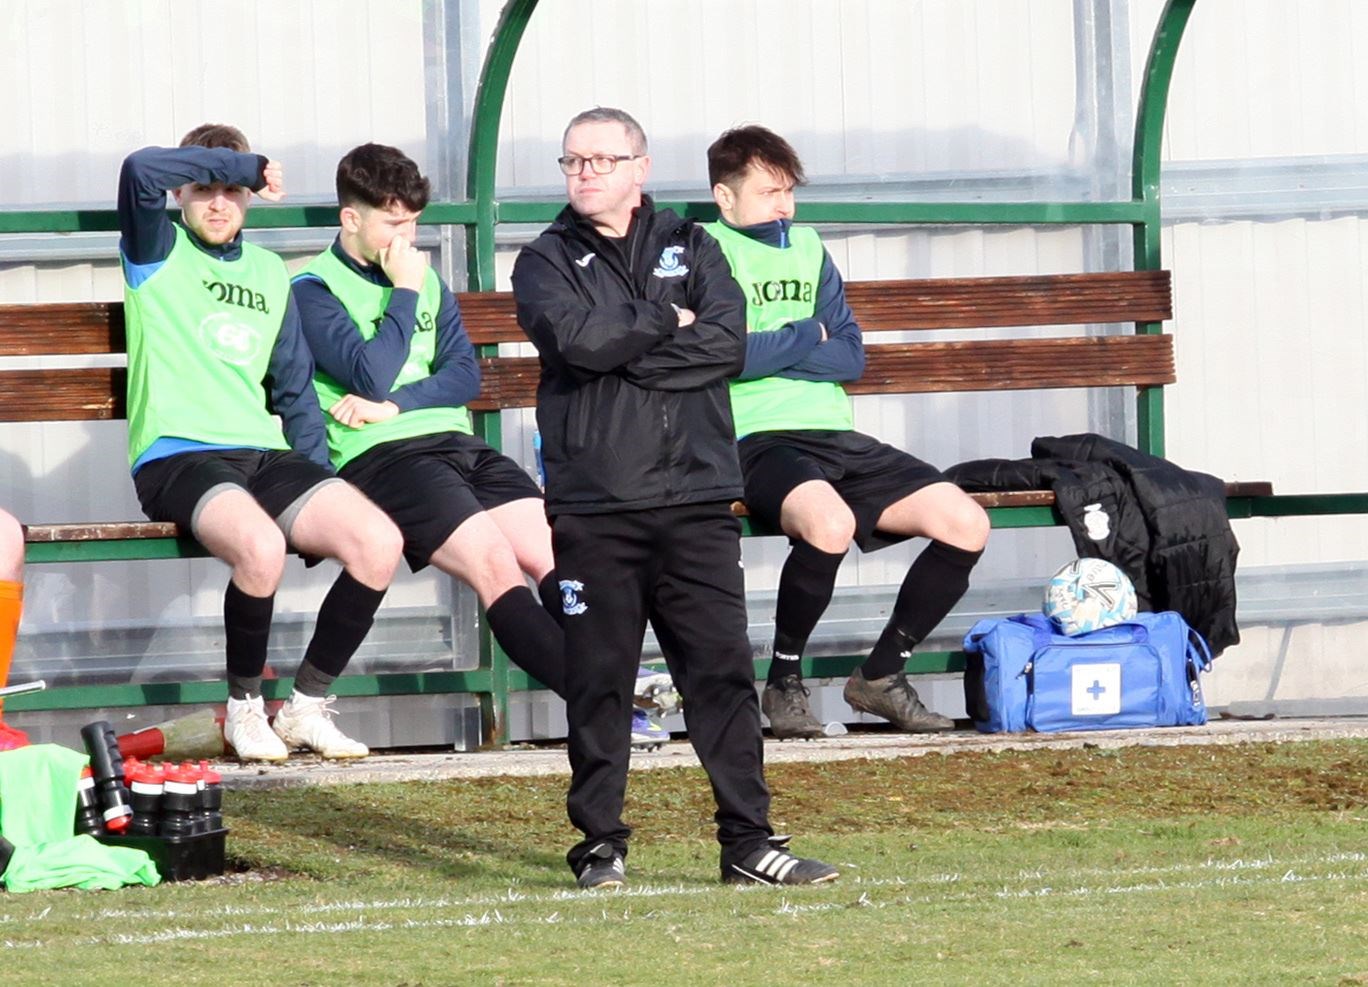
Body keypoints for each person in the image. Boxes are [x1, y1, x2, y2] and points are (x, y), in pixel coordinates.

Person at [511, 107, 837, 889]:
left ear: (640, 167)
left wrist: (629, 349)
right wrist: (663, 319)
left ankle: (749, 843)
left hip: (696, 500)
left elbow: (724, 344)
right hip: (597, 505)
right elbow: (577, 343)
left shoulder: (695, 245)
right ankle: (600, 847)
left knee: (720, 675)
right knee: (600, 682)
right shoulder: (544, 260)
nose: (584, 173)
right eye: (572, 162)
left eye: (601, 159)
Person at [118, 125, 404, 762]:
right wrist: (247, 162)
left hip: (262, 454)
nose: (218, 203)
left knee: (377, 541)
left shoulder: (271, 272)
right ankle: (245, 709)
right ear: (180, 196)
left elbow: (296, 389)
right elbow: (140, 169)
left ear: (249, 200)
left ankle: (303, 709)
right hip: (178, 454)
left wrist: (318, 476)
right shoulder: (155, 249)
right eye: (203, 188)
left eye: (233, 190)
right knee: (260, 546)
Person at [704, 125, 990, 739]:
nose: (783, 206)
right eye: (767, 192)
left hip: (836, 435)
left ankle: (881, 676)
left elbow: (851, 358)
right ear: (724, 198)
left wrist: (775, 347)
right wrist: (807, 336)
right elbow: (725, 358)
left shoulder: (808, 247)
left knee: (966, 523)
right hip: (756, 437)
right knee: (828, 526)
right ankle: (782, 681)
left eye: (788, 191)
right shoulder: (704, 250)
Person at [290, 142, 567, 701]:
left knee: (556, 550)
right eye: (393, 223)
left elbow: (465, 375)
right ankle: (599, 699)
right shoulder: (314, 291)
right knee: (494, 564)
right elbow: (369, 375)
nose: (407, 239)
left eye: (413, 224)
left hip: (454, 442)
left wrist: (397, 403)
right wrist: (405, 290)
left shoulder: (427, 280)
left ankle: (613, 683)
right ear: (351, 219)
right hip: (384, 457)